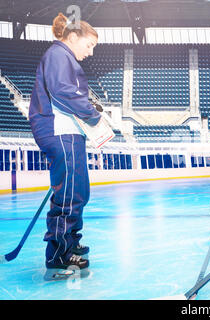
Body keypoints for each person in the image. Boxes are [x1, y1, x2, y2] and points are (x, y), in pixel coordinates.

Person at [29, 13, 102, 280]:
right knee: (69, 192)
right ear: (73, 37)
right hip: (59, 131)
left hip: (70, 131)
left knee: (79, 189)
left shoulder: (65, 57)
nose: (90, 52)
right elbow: (62, 90)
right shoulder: (59, 53)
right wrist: (93, 114)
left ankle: (70, 241)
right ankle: (59, 252)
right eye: (89, 45)